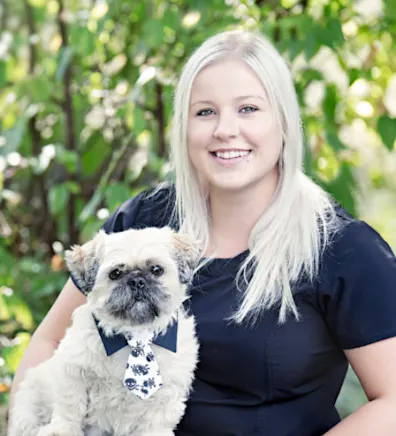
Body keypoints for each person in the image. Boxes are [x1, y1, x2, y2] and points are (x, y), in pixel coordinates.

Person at [8, 29, 396, 436]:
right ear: (184, 127)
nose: (226, 130)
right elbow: (48, 344)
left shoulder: (342, 248)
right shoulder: (146, 220)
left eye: (248, 109)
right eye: (205, 112)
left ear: (283, 120)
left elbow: (391, 401)